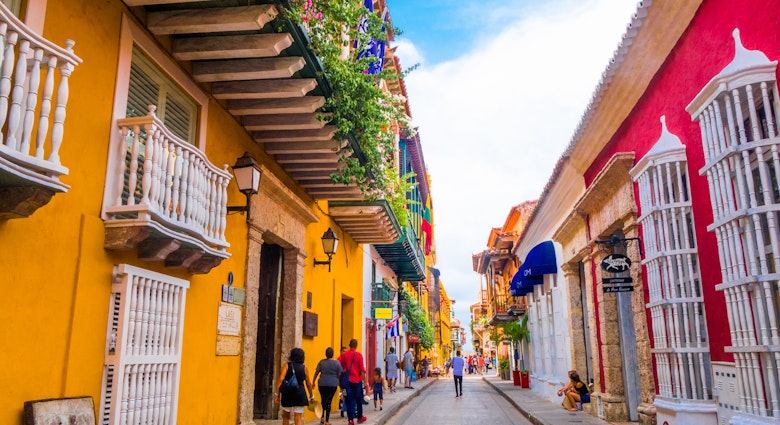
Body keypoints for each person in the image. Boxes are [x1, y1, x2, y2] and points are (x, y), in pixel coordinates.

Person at [275, 348, 315, 425]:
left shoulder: (286, 365)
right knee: (298, 418)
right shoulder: (305, 368)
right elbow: (308, 384)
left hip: (287, 393)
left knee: (286, 416)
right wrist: (311, 395)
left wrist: (277, 394)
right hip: (299, 393)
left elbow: (281, 379)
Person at [339, 339, 368, 425]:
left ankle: (350, 420)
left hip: (348, 381)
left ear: (349, 345)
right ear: (356, 346)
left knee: (349, 400)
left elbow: (342, 368)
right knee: (359, 399)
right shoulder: (359, 355)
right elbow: (362, 370)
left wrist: (340, 380)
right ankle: (360, 417)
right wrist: (365, 382)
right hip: (357, 381)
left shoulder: (344, 355)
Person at [313, 347, 343, 425]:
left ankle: (322, 418)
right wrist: (338, 381)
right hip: (332, 384)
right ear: (332, 354)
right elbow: (340, 374)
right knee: (329, 401)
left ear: (326, 354)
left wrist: (313, 382)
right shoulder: (337, 363)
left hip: (322, 384)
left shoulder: (321, 362)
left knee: (323, 400)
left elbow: (316, 373)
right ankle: (327, 420)